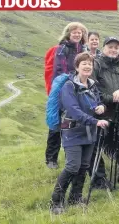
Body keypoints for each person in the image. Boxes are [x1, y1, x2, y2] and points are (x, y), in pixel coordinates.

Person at [50, 52, 109, 214]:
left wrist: (101, 107)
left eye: (90, 64)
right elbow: (74, 111)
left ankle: (75, 198)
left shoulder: (92, 85)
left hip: (89, 132)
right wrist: (96, 121)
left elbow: (98, 101)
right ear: (77, 67)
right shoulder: (69, 86)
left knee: (83, 166)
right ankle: (56, 201)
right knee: (72, 166)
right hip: (72, 131)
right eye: (84, 64)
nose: (88, 66)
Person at [89, 36, 119, 188]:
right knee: (96, 148)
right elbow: (91, 89)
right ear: (104, 49)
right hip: (99, 115)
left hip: (117, 115)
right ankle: (99, 181)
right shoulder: (96, 64)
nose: (114, 50)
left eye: (116, 47)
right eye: (110, 47)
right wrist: (111, 98)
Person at [46, 22, 88, 169]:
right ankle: (51, 158)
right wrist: (74, 81)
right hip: (64, 86)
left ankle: (72, 155)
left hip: (80, 86)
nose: (77, 34)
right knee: (58, 121)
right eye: (74, 32)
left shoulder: (83, 49)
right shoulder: (62, 49)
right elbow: (60, 70)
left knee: (74, 121)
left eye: (80, 32)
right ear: (68, 34)